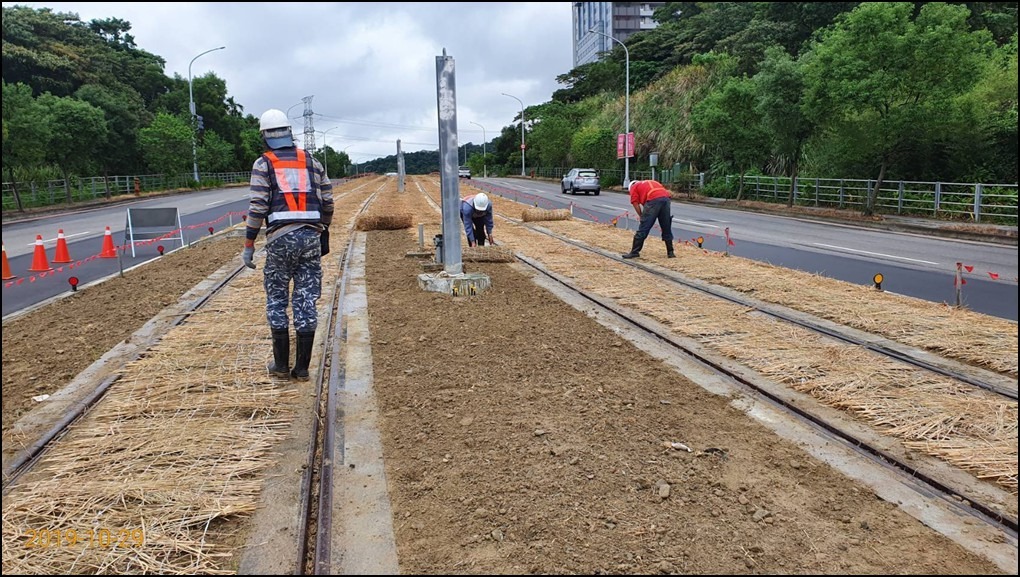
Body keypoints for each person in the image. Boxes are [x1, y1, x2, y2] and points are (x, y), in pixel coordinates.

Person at [241, 108, 334, 380]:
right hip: (310, 238)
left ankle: (281, 365)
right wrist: (323, 228)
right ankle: (303, 367)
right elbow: (328, 201)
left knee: (277, 299)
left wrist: (249, 244)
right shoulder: (313, 162)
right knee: (306, 298)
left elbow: (258, 207)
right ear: (289, 133)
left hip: (280, 239)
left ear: (264, 136)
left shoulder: (263, 164)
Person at [622, 179, 675, 259]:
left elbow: (635, 203)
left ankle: (634, 252)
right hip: (665, 199)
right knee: (666, 226)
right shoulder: (649, 182)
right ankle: (670, 252)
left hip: (653, 200)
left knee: (644, 227)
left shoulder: (634, 187)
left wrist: (641, 216)